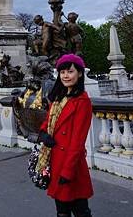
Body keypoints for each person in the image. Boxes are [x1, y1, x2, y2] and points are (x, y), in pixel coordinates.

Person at [38, 54, 93, 217]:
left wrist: (67, 172)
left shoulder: (82, 102)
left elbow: (78, 141)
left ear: (80, 74)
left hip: (71, 165)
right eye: (62, 72)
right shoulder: (58, 98)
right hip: (55, 161)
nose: (66, 76)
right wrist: (43, 134)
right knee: (61, 211)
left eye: (70, 71)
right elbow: (47, 121)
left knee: (80, 210)